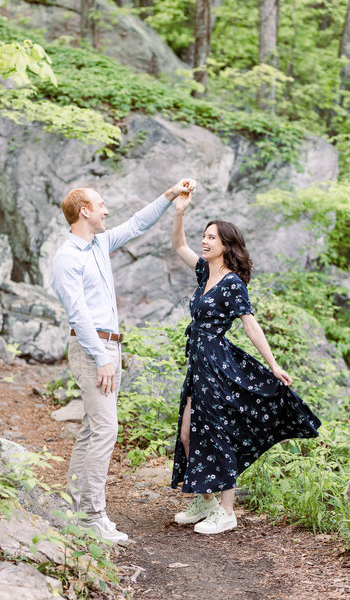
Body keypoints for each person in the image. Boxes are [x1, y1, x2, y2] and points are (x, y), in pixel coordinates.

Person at [51, 179, 195, 543]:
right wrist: (101, 359)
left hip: (106, 348)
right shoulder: (67, 258)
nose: (106, 210)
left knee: (91, 428)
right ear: (84, 210)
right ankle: (91, 517)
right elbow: (78, 314)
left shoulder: (98, 244)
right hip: (92, 349)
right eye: (101, 204)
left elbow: (136, 224)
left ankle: (74, 506)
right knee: (105, 429)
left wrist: (168, 194)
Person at [170, 191, 321, 535]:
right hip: (198, 366)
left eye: (211, 237)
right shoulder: (204, 272)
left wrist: (273, 365)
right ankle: (205, 501)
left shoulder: (232, 284)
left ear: (226, 244)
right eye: (204, 236)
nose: (204, 241)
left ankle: (227, 510)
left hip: (218, 366)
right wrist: (180, 212)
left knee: (218, 433)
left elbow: (249, 324)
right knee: (187, 433)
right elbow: (179, 245)